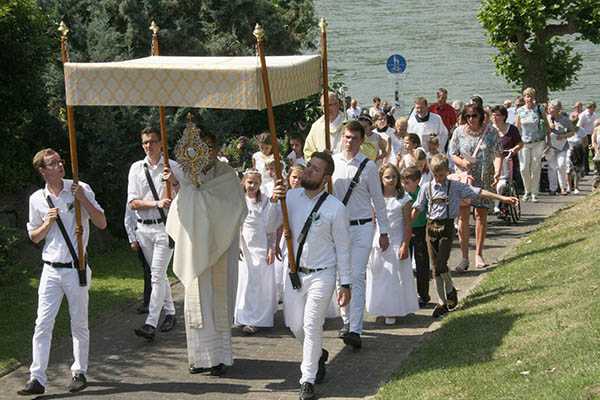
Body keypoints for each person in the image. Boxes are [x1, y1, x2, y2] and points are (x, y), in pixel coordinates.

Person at [19, 149, 107, 396]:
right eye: (53, 163)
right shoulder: (37, 198)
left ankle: (79, 372)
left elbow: (101, 222)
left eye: (60, 161)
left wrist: (84, 201)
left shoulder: (79, 188)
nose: (60, 165)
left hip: (75, 269)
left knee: (78, 324)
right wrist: (47, 223)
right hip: (50, 270)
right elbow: (34, 237)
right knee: (42, 324)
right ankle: (37, 378)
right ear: (43, 170)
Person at [268, 151, 352, 400]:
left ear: (326, 177)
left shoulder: (336, 209)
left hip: (322, 275)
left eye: (315, 169)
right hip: (294, 274)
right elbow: (268, 225)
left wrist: (344, 283)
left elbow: (344, 248)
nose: (308, 171)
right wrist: (275, 201)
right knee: (295, 325)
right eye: (308, 167)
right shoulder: (290, 197)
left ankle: (307, 380)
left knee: (311, 324)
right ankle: (318, 355)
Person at [166, 130, 247, 377]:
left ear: (217, 149)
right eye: (203, 147)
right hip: (195, 247)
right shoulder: (186, 178)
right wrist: (189, 189)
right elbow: (181, 211)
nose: (207, 152)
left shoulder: (227, 175)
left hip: (221, 246)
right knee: (198, 302)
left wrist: (202, 196)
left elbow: (235, 208)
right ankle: (199, 358)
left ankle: (220, 358)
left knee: (218, 300)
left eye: (211, 147)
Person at [412, 154, 518, 317]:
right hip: (431, 227)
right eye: (436, 175)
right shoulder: (426, 187)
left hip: (446, 227)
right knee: (435, 269)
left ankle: (450, 290)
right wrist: (407, 221)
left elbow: (479, 192)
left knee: (441, 263)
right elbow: (418, 207)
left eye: (441, 175)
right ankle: (443, 301)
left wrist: (503, 198)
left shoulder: (455, 187)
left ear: (448, 172)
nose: (439, 179)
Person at [332, 120, 390, 349]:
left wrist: (384, 230)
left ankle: (355, 327)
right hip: (337, 228)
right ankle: (346, 321)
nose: (349, 141)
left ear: (361, 140)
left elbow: (378, 200)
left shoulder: (368, 166)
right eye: (346, 137)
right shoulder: (332, 163)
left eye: (354, 138)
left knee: (356, 276)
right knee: (341, 276)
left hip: (362, 226)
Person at [128, 127, 180, 341]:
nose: (149, 146)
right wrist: (156, 202)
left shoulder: (173, 166)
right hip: (143, 229)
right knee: (157, 274)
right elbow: (133, 203)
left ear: (161, 143)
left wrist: (174, 182)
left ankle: (151, 323)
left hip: (165, 228)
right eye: (145, 143)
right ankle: (171, 312)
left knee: (156, 274)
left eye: (152, 141)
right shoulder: (136, 168)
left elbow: (189, 194)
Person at [449, 103, 503, 271]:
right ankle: (464, 258)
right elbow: (451, 153)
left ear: (481, 116)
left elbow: (498, 153)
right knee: (463, 218)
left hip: (484, 177)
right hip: (466, 178)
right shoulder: (459, 132)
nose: (471, 119)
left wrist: (498, 171)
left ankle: (479, 254)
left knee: (481, 216)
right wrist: (462, 162)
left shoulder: (491, 132)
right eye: (468, 116)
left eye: (474, 116)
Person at [366, 164, 418, 325]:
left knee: (394, 278)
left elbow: (408, 225)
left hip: (396, 241)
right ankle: (381, 307)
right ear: (380, 179)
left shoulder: (403, 199)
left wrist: (404, 245)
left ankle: (392, 310)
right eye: (387, 177)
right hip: (378, 242)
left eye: (394, 177)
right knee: (379, 277)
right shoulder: (375, 198)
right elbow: (372, 223)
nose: (391, 180)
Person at [235, 169, 276, 334]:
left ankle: (258, 318)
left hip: (261, 245)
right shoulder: (239, 200)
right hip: (245, 246)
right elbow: (236, 225)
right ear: (244, 182)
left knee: (260, 283)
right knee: (246, 281)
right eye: (249, 182)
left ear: (260, 184)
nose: (252, 186)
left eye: (256, 183)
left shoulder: (265, 202)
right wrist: (237, 245)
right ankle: (245, 317)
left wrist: (272, 247)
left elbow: (271, 226)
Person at [401, 167, 431, 307]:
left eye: (407, 183)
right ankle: (406, 295)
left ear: (417, 181)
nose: (404, 185)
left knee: (421, 264)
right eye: (403, 182)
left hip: (419, 230)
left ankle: (424, 295)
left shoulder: (422, 193)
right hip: (405, 231)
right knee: (405, 264)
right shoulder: (401, 195)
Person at [515, 87, 550, 202]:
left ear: (534, 97)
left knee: (535, 167)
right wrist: (515, 143)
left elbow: (546, 125)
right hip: (524, 142)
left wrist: (548, 140)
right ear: (524, 98)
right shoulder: (520, 110)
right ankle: (527, 190)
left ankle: (534, 192)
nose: (528, 98)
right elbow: (517, 128)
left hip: (538, 142)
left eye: (530, 96)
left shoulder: (539, 109)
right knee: (524, 168)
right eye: (526, 96)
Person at [491, 105, 523, 213]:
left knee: (503, 183)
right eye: (493, 115)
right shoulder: (489, 130)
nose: (495, 117)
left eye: (498, 115)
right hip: (492, 160)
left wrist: (514, 149)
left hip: (508, 160)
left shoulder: (512, 129)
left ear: (504, 116)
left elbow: (520, 143)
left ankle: (498, 204)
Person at [124, 204, 152, 314]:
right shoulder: (134, 192)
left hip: (157, 234)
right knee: (147, 270)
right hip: (140, 236)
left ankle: (155, 301)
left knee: (156, 270)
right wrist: (132, 239)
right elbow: (128, 217)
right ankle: (148, 302)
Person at [546, 100, 576, 195]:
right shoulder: (546, 118)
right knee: (552, 167)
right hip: (550, 146)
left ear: (558, 109)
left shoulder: (565, 119)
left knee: (561, 165)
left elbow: (572, 132)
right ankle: (553, 189)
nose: (550, 110)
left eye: (552, 108)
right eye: (549, 108)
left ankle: (563, 187)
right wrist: (549, 123)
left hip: (562, 146)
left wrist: (563, 136)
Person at [304, 92, 345, 159]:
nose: (327, 108)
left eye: (330, 105)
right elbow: (308, 151)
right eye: (324, 106)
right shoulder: (316, 127)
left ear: (338, 104)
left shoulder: (349, 123)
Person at [577, 102, 598, 174]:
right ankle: (586, 170)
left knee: (595, 152)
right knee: (585, 152)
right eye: (592, 108)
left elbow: (596, 124)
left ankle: (596, 168)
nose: (593, 110)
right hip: (585, 136)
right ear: (590, 108)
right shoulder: (583, 115)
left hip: (592, 135)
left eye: (594, 108)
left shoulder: (594, 114)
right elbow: (579, 125)